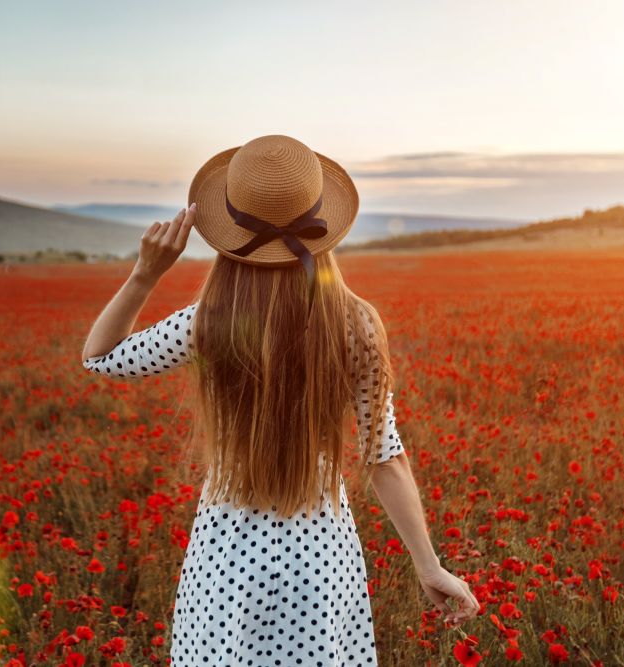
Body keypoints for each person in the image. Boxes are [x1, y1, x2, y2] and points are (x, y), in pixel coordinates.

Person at [82, 135, 480, 666]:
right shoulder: (356, 324)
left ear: (229, 233)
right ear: (323, 226)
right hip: (320, 561)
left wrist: (146, 272)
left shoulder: (208, 322)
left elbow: (100, 357)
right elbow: (385, 457)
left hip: (226, 561)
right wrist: (429, 566)